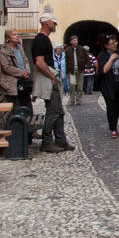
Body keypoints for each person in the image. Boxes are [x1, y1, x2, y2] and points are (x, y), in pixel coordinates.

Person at [32, 15, 74, 153]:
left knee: (59, 111)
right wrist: (52, 77)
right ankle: (47, 141)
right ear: (47, 23)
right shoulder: (40, 40)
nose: (55, 24)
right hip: (48, 78)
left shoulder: (43, 39)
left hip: (49, 77)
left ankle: (61, 140)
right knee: (53, 111)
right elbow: (39, 62)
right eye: (53, 22)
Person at [0, 28, 32, 128]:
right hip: (11, 84)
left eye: (17, 34)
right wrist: (21, 73)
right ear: (8, 38)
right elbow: (6, 67)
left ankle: (28, 132)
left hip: (23, 83)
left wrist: (27, 71)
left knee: (28, 107)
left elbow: (26, 60)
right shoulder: (4, 50)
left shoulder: (20, 47)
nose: (17, 36)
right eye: (14, 35)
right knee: (14, 109)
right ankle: (15, 132)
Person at [98, 35, 119, 138]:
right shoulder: (102, 55)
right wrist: (111, 59)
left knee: (118, 107)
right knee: (111, 107)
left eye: (115, 42)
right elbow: (104, 70)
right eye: (112, 43)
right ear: (106, 46)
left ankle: (114, 125)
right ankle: (113, 129)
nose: (115, 44)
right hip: (108, 86)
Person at [64, 34, 88, 106]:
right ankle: (72, 100)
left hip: (80, 70)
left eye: (76, 40)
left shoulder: (82, 49)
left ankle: (79, 100)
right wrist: (66, 70)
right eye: (74, 40)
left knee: (80, 86)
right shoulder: (67, 50)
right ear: (71, 42)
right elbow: (65, 60)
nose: (75, 41)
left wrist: (88, 67)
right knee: (72, 86)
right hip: (71, 71)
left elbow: (87, 58)